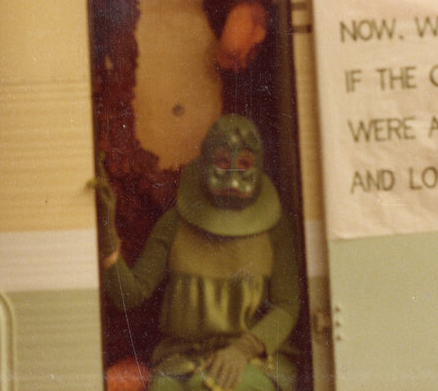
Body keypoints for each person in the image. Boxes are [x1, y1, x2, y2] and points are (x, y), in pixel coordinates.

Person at [92, 115, 300, 391]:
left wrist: (243, 350)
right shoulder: (175, 223)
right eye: (223, 162)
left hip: (255, 359)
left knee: (210, 387)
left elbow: (287, 306)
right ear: (206, 164)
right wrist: (108, 235)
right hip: (181, 359)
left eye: (245, 163)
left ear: (258, 167)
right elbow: (129, 296)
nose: (233, 175)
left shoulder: (275, 227)